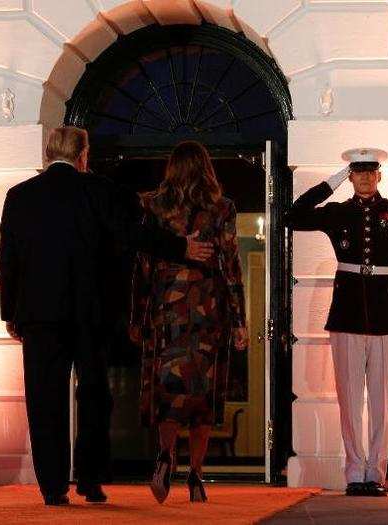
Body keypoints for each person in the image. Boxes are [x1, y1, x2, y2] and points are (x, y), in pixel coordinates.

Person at [0, 127, 213, 506]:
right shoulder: (99, 191)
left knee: (44, 400)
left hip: (39, 315)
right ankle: (90, 481)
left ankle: (52, 487)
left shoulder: (19, 196)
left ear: (49, 154)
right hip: (90, 314)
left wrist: (10, 313)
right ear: (83, 155)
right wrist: (182, 247)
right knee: (95, 396)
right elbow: (134, 235)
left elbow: (9, 258)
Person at [288, 148, 388, 497]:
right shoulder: (337, 212)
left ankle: (375, 473)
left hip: (383, 315)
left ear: (379, 175)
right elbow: (293, 215)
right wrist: (330, 181)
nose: (364, 178)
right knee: (349, 400)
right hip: (346, 313)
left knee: (380, 401)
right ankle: (354, 473)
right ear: (350, 176)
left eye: (370, 172)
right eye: (356, 172)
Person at [129, 141, 248, 504]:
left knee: (169, 392)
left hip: (167, 313)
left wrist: (138, 315)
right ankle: (196, 474)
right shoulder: (222, 208)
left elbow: (142, 264)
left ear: (171, 168)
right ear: (206, 168)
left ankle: (166, 454)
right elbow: (230, 265)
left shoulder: (152, 205)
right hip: (210, 312)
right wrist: (240, 319)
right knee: (203, 398)